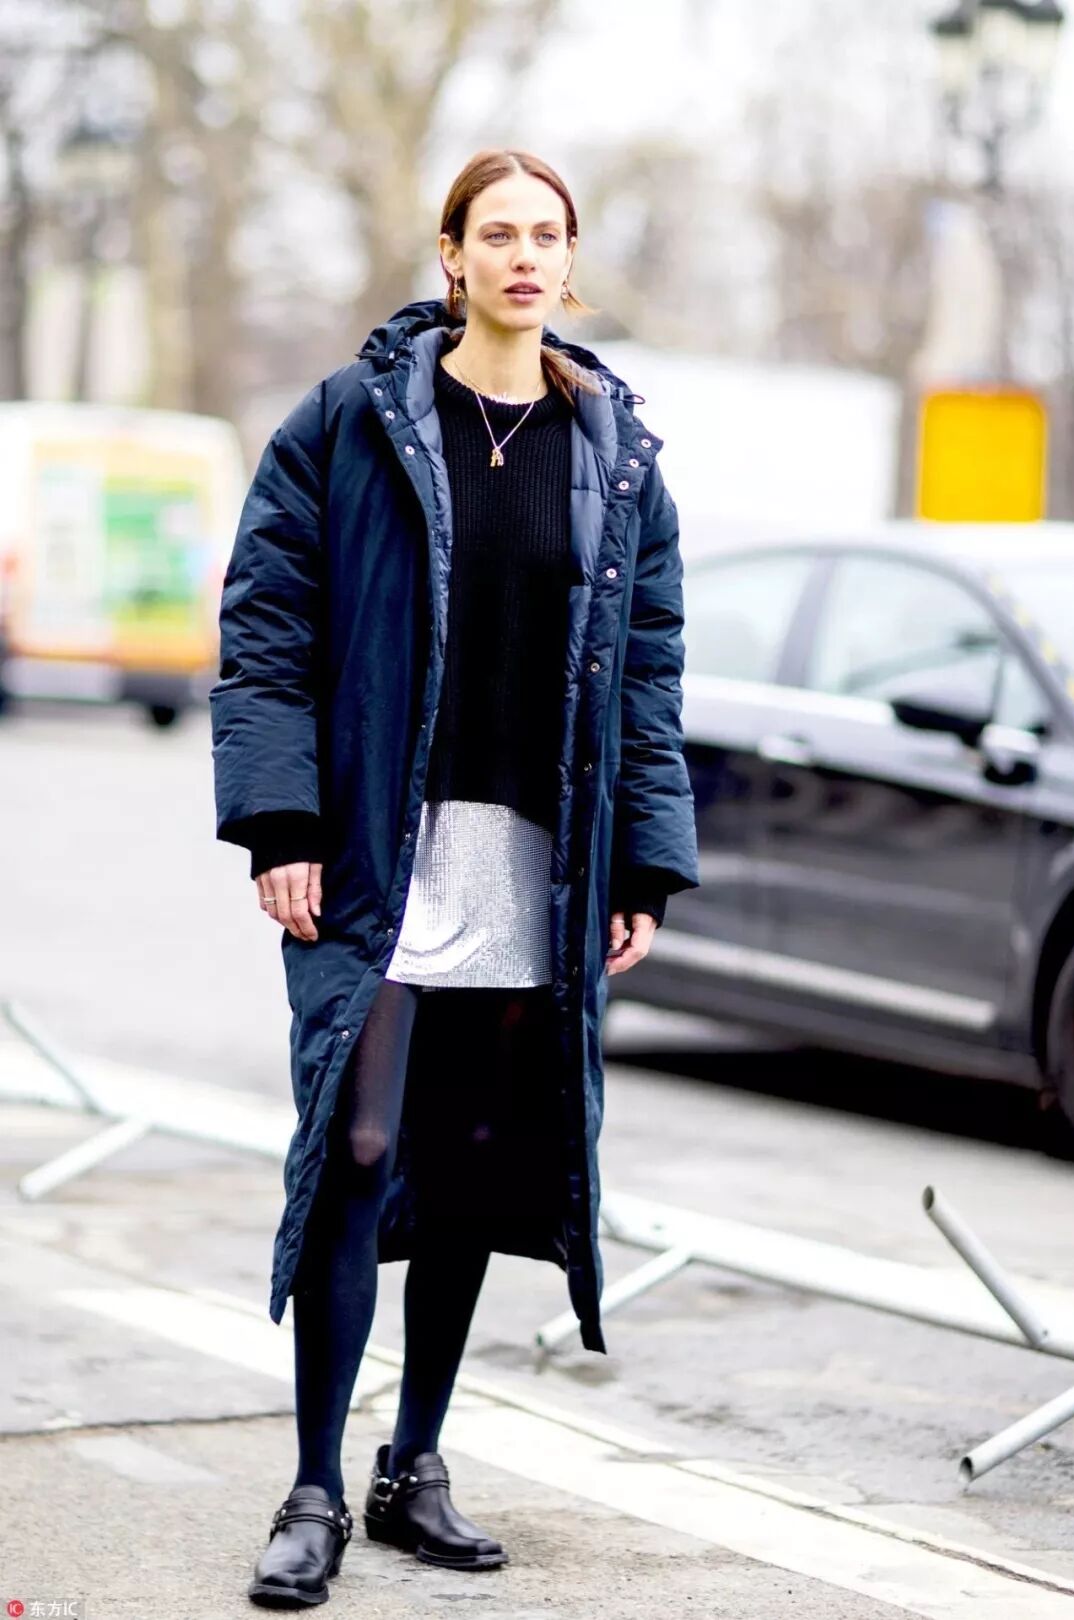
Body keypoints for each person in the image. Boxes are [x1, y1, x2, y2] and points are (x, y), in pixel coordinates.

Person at [210, 146, 699, 1608]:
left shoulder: (617, 453)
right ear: (451, 256)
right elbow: (267, 627)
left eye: (548, 234)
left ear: (570, 260)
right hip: (381, 846)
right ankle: (312, 1485)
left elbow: (649, 677)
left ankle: (412, 1462)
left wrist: (643, 861)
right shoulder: (351, 421)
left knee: (475, 1165)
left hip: (533, 861)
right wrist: (281, 823)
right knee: (357, 1146)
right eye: (499, 234)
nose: (525, 256)